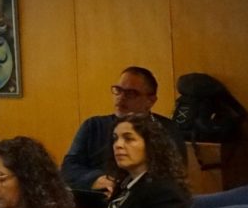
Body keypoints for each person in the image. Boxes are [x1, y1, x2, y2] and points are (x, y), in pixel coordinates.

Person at [80, 112, 192, 208]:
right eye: (115, 138)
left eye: (128, 139)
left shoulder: (166, 193)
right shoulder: (128, 183)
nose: (118, 145)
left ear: (151, 145)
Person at [60, 67, 182, 198]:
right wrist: (96, 179)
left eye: (131, 93)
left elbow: (175, 174)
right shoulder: (93, 126)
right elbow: (68, 168)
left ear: (150, 101)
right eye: (118, 90)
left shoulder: (166, 129)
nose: (121, 97)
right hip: (96, 198)